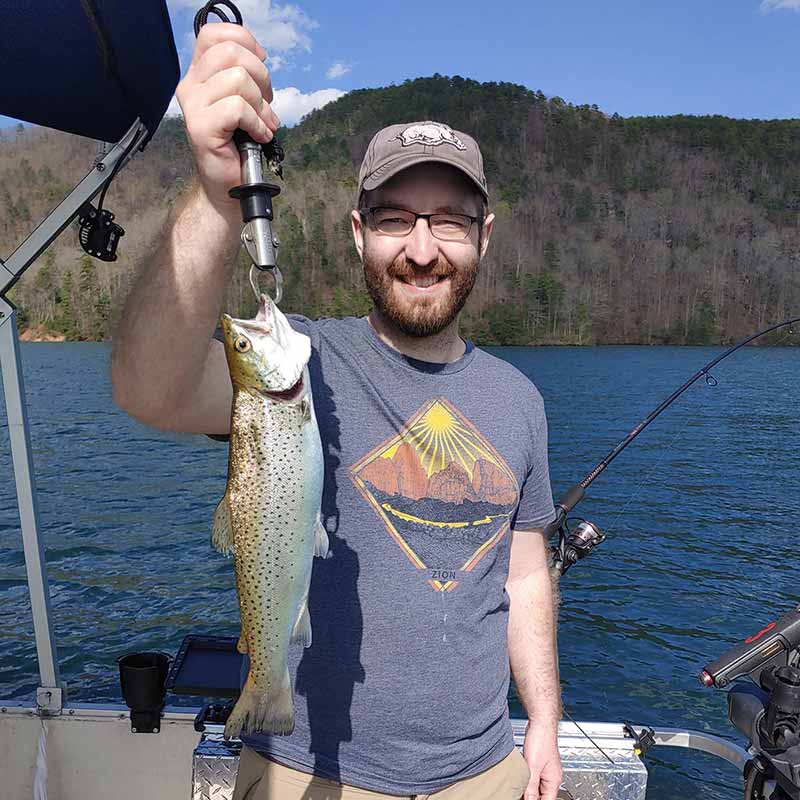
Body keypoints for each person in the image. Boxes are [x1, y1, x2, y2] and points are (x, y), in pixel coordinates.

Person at [110, 22, 563, 800]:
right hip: (306, 773)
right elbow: (148, 388)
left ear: (484, 237)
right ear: (358, 234)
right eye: (394, 218)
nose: (422, 248)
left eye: (448, 219)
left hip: (487, 775)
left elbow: (524, 579)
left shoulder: (520, 401)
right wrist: (218, 197)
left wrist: (546, 723)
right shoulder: (303, 363)